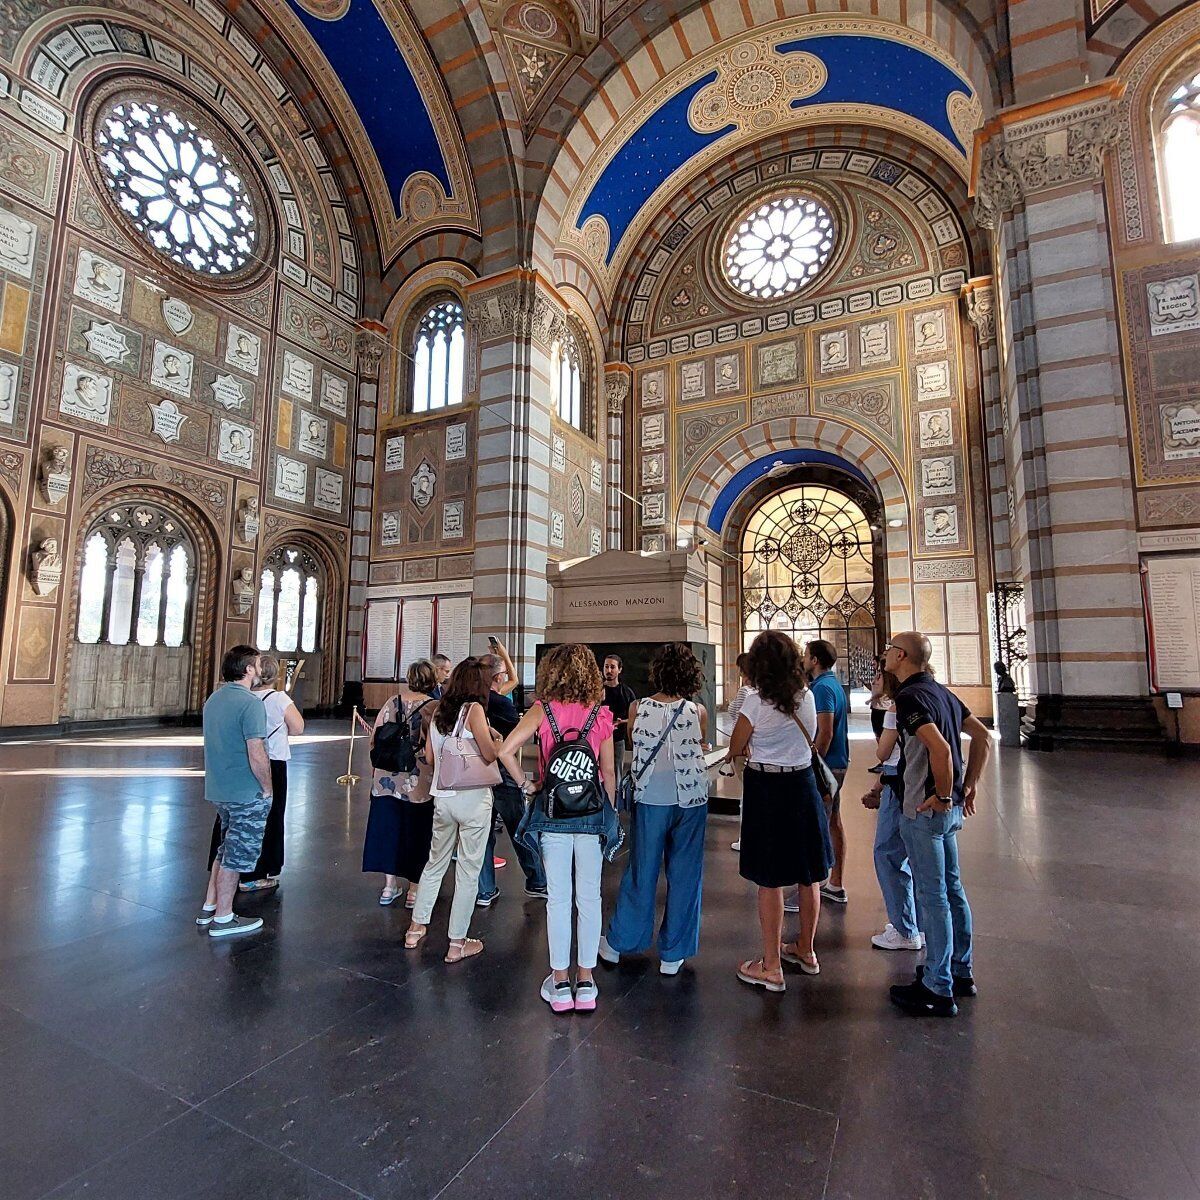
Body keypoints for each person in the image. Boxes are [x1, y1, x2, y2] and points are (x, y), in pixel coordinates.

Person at [502, 644, 621, 1014]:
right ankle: (585, 983)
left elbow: (506, 750)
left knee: (557, 899)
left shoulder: (542, 710)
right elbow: (610, 773)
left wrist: (528, 784)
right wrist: (610, 811)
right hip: (590, 812)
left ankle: (558, 983)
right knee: (589, 898)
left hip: (553, 812)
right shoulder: (601, 714)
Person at [883, 632, 992, 1017]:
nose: (883, 655)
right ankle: (960, 970)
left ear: (900, 655)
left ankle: (937, 986)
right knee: (952, 888)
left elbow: (941, 749)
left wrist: (946, 793)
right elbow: (981, 736)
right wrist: (968, 787)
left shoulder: (910, 696)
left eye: (887, 650)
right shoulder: (942, 691)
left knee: (934, 897)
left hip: (925, 809)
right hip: (946, 810)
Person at [726, 631, 832, 991]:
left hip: (768, 788)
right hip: (802, 785)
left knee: (769, 878)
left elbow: (737, 746)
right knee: (808, 873)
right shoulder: (807, 696)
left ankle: (771, 966)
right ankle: (806, 949)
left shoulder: (755, 702)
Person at [599, 643, 710, 975]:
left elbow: (635, 742)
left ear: (657, 672)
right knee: (686, 873)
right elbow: (699, 744)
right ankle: (674, 953)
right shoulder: (697, 711)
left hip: (651, 798)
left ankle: (621, 942)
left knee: (641, 870)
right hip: (692, 799)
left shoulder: (637, 707)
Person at [405, 658, 499, 963]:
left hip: (443, 797)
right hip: (472, 798)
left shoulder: (438, 711)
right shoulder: (474, 710)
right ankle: (457, 942)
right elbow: (488, 753)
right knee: (469, 871)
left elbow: (431, 759)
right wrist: (496, 739)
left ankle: (416, 928)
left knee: (435, 863)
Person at [205, 655, 303, 893]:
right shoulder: (276, 698)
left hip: (232, 770)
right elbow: (298, 728)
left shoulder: (229, 698)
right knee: (267, 817)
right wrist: (267, 786)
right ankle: (254, 874)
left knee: (229, 820)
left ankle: (218, 883)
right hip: (271, 763)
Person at [196, 646, 273, 938]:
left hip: (219, 788)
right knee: (237, 854)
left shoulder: (213, 700)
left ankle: (210, 905)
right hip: (245, 791)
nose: (259, 669)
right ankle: (224, 917)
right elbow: (257, 752)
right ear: (249, 669)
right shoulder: (250, 703)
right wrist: (266, 788)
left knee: (225, 845)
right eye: (256, 664)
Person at [362, 659, 438, 907]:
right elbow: (433, 750)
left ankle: (388, 886)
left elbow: (375, 738)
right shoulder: (434, 708)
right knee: (417, 833)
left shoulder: (391, 702)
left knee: (388, 830)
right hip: (418, 783)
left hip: (386, 780)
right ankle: (414, 890)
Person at [476, 650, 547, 905]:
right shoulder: (501, 704)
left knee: (482, 832)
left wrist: (503, 654)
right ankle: (537, 880)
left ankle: (484, 889)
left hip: (475, 773)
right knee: (519, 826)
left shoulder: (472, 701)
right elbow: (516, 737)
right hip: (502, 772)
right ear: (497, 676)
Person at [861, 670, 922, 952]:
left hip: (901, 790)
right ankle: (912, 922)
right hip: (916, 785)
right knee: (916, 858)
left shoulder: (896, 708)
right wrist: (877, 786)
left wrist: (881, 786)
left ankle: (905, 929)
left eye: (878, 675)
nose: (874, 680)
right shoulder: (930, 697)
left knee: (888, 853)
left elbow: (885, 755)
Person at [793, 639, 848, 908]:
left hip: (828, 765)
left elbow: (824, 732)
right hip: (836, 763)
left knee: (816, 827)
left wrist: (814, 763)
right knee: (832, 821)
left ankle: (810, 889)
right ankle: (834, 883)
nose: (803, 659)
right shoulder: (831, 684)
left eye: (805, 655)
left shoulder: (823, 688)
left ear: (815, 660)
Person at [727, 652, 753, 852]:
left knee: (748, 796)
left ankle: (747, 837)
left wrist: (733, 749)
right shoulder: (756, 691)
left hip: (744, 748)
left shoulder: (746, 692)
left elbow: (742, 722)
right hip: (748, 747)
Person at [602, 654, 636, 779]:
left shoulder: (626, 692)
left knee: (616, 772)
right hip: (599, 738)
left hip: (617, 739)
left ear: (619, 670)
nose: (609, 671)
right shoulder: (597, 691)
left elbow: (635, 716)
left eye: (612, 667)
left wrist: (622, 722)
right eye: (606, 667)